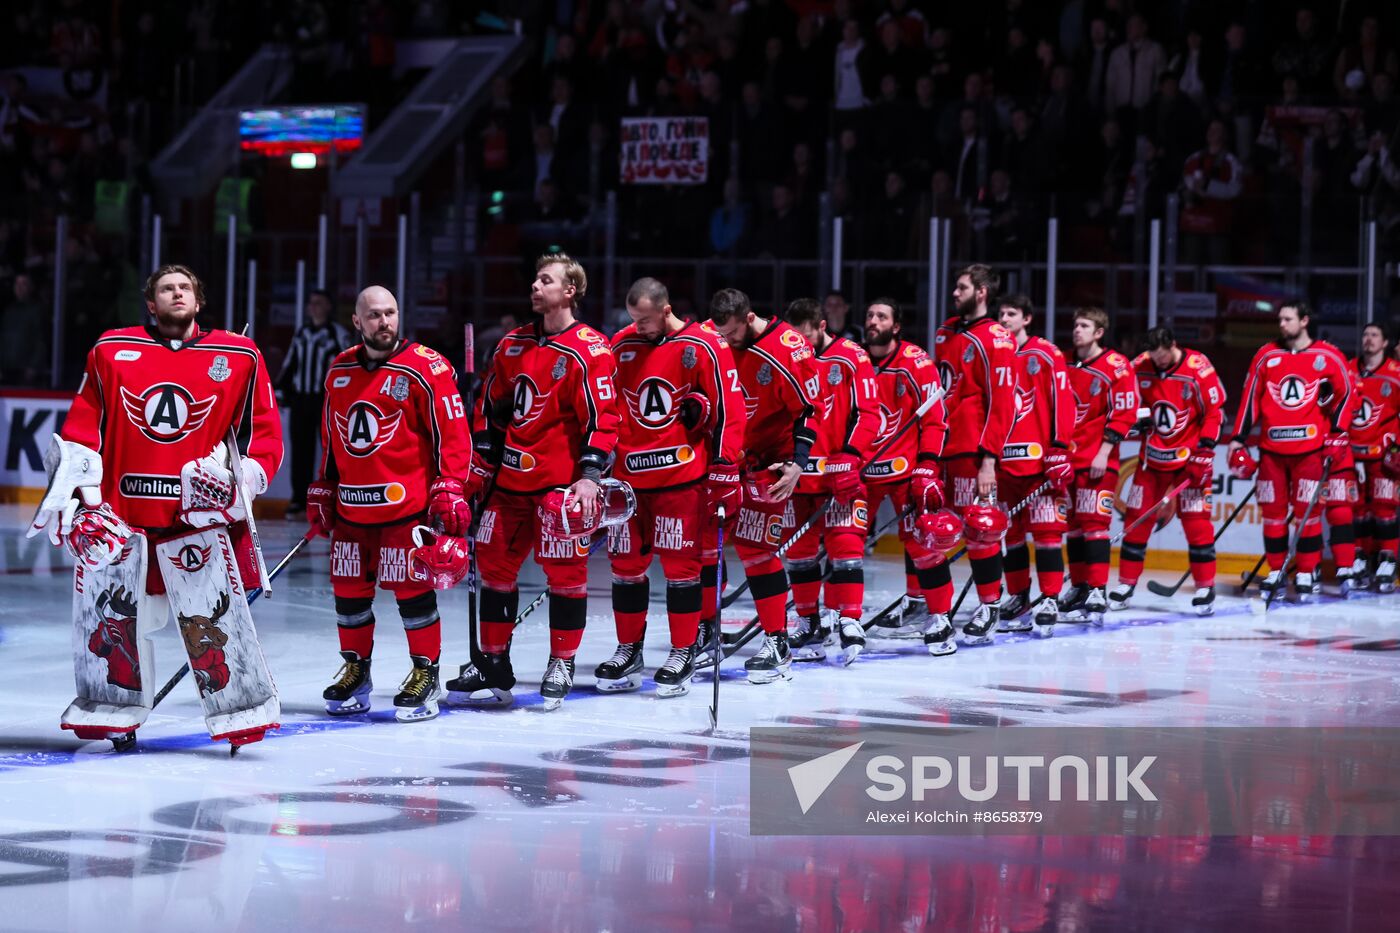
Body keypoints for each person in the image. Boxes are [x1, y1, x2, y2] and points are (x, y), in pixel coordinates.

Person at [27, 264, 283, 751]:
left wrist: (243, 478)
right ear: (151, 303)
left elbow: (264, 434)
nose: (177, 294)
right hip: (124, 524)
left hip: (200, 524)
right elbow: (85, 427)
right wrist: (79, 480)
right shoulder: (110, 351)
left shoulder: (238, 355)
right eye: (167, 289)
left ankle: (240, 710)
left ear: (198, 300)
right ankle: (114, 709)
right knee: (117, 628)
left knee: (216, 627)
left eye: (185, 287)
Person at [445, 253, 620, 709]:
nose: (535, 286)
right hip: (509, 484)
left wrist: (589, 477)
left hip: (558, 488)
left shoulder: (590, 349)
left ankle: (561, 660)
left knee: (566, 576)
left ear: (570, 292)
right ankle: (493, 662)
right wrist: (483, 456)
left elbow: (604, 418)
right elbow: (488, 400)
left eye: (546, 280)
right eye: (536, 278)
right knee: (494, 569)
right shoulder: (512, 344)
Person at [308, 285, 473, 723]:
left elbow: (453, 434)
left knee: (412, 594)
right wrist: (323, 485)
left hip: (406, 510)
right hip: (352, 510)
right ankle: (356, 672)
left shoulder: (427, 367)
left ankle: (425, 673)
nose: (385, 322)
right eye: (374, 315)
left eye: (391, 313)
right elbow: (332, 437)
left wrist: (450, 486)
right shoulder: (340, 369)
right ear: (357, 322)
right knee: (348, 595)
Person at [594, 277, 745, 697]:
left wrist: (725, 467)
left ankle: (682, 650)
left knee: (682, 570)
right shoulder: (622, 344)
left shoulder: (706, 345)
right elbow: (604, 405)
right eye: (633, 319)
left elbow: (731, 410)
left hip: (681, 479)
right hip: (627, 482)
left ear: (665, 310)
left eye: (644, 319)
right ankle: (629, 649)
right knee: (624, 569)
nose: (637, 327)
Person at [705, 288, 821, 684]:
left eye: (734, 334)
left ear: (749, 317)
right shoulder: (711, 337)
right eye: (722, 335)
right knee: (704, 546)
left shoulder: (789, 346)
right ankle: (703, 629)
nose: (728, 342)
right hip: (722, 457)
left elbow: (809, 408)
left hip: (768, 460)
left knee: (756, 549)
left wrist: (798, 464)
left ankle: (778, 641)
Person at [1228, 302, 1353, 601]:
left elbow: (1347, 393)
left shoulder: (1328, 355)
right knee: (1271, 514)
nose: (1282, 324)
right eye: (1280, 319)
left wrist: (1338, 432)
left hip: (1310, 450)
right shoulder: (1266, 355)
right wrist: (1238, 438)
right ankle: (1276, 570)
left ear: (1304, 320)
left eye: (1288, 319)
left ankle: (1308, 572)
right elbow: (1250, 399)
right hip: (1271, 450)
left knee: (1307, 515)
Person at [784, 297, 880, 664]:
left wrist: (852, 456)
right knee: (800, 554)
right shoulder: (788, 355)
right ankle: (809, 623)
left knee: (846, 548)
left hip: (840, 473)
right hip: (797, 476)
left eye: (806, 337)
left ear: (822, 327)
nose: (800, 346)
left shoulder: (852, 357)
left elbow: (868, 414)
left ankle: (850, 619)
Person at [1111, 326, 1226, 615]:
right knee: (1135, 522)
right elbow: (1125, 401)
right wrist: (1138, 419)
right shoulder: (1141, 365)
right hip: (1151, 461)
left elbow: (1215, 412)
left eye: (1162, 357)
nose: (1158, 363)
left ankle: (1205, 588)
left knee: (1196, 523)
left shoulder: (1198, 368)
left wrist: (1205, 451)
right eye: (1154, 357)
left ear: (1173, 345)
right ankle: (1125, 585)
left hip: (1189, 462)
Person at [861, 297, 954, 655]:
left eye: (881, 316)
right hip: (862, 469)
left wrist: (927, 465)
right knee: (844, 541)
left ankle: (939, 617)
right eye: (869, 315)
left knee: (923, 544)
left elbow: (935, 419)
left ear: (896, 326)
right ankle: (834, 616)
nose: (873, 321)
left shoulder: (915, 363)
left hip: (905, 469)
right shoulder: (856, 361)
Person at [934, 264, 1017, 642]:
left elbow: (1002, 403)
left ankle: (989, 605)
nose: (955, 292)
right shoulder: (946, 331)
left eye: (962, 286)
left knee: (980, 529)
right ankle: (930, 603)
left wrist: (989, 460)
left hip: (972, 449)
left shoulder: (997, 339)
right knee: (931, 527)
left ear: (982, 292)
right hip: (941, 448)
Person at [994, 294, 1075, 634]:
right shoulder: (996, 354)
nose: (1004, 319)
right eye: (1001, 314)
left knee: (1046, 535)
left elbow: (1063, 402)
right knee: (1009, 536)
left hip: (1039, 464)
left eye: (1011, 314)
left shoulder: (1045, 353)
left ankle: (1050, 597)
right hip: (1001, 464)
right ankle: (1018, 595)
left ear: (1027, 319)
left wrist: (1058, 449)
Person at [1060, 307, 1139, 622]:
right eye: (1075, 324)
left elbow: (1125, 413)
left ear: (1099, 332)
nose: (1077, 330)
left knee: (1095, 526)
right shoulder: (1063, 361)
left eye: (1084, 325)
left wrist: (1104, 452)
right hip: (1066, 460)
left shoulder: (1117, 366)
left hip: (1096, 459)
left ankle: (1097, 589)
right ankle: (1078, 586)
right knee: (1074, 529)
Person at [277, 288, 351, 516]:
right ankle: (299, 499)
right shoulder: (302, 333)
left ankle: (337, 497)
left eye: (319, 302)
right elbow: (291, 362)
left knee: (333, 450)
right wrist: (281, 389)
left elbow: (347, 363)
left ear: (328, 306)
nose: (313, 307)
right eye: (311, 303)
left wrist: (346, 396)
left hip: (326, 399)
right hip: (302, 399)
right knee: (300, 450)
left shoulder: (337, 333)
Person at [1347, 323, 1400, 592]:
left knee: (1384, 509)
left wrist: (1398, 446)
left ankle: (1387, 560)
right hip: (1351, 454)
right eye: (1365, 334)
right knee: (1357, 511)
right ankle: (1360, 558)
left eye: (1374, 335)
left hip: (1384, 454)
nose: (1368, 339)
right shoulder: (1346, 369)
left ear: (1385, 342)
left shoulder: (1396, 372)